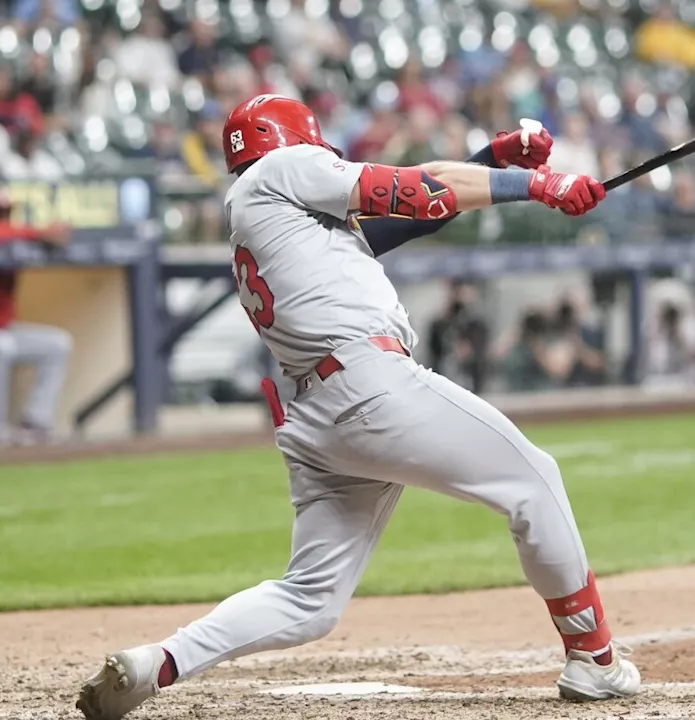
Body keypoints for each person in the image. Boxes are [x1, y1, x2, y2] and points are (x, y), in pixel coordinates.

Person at [75, 95, 638, 720]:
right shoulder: (281, 171)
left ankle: (155, 663)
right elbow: (422, 192)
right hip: (367, 386)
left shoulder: (274, 210)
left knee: (309, 599)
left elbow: (408, 219)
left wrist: (492, 159)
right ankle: (595, 660)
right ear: (297, 140)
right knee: (535, 481)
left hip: (315, 414)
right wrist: (538, 184)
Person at [0, 190, 73, 445]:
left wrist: (43, 233)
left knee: (57, 344)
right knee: (3, 347)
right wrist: (40, 233)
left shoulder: (16, 235)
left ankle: (35, 421)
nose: (5, 219)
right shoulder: (14, 234)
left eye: (7, 212)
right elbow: (6, 233)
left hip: (5, 327)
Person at [424, 278, 490, 394]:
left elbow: (482, 355)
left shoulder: (478, 325)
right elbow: (433, 354)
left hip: (472, 384)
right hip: (444, 384)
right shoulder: (439, 324)